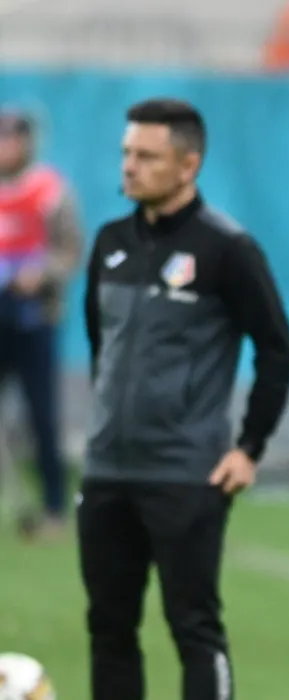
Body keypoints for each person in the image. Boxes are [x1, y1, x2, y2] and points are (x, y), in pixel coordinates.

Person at [78, 98, 289, 700]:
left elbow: (277, 347)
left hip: (185, 474)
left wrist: (249, 447)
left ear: (188, 165)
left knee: (194, 628)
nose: (129, 167)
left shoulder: (228, 249)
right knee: (108, 627)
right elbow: (103, 347)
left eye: (147, 156)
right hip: (107, 471)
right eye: (127, 153)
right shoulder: (110, 242)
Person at [0, 107, 84, 538]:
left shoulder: (50, 190)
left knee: (41, 416)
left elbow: (71, 250)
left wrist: (42, 273)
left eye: (10, 138)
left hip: (35, 318)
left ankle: (54, 507)